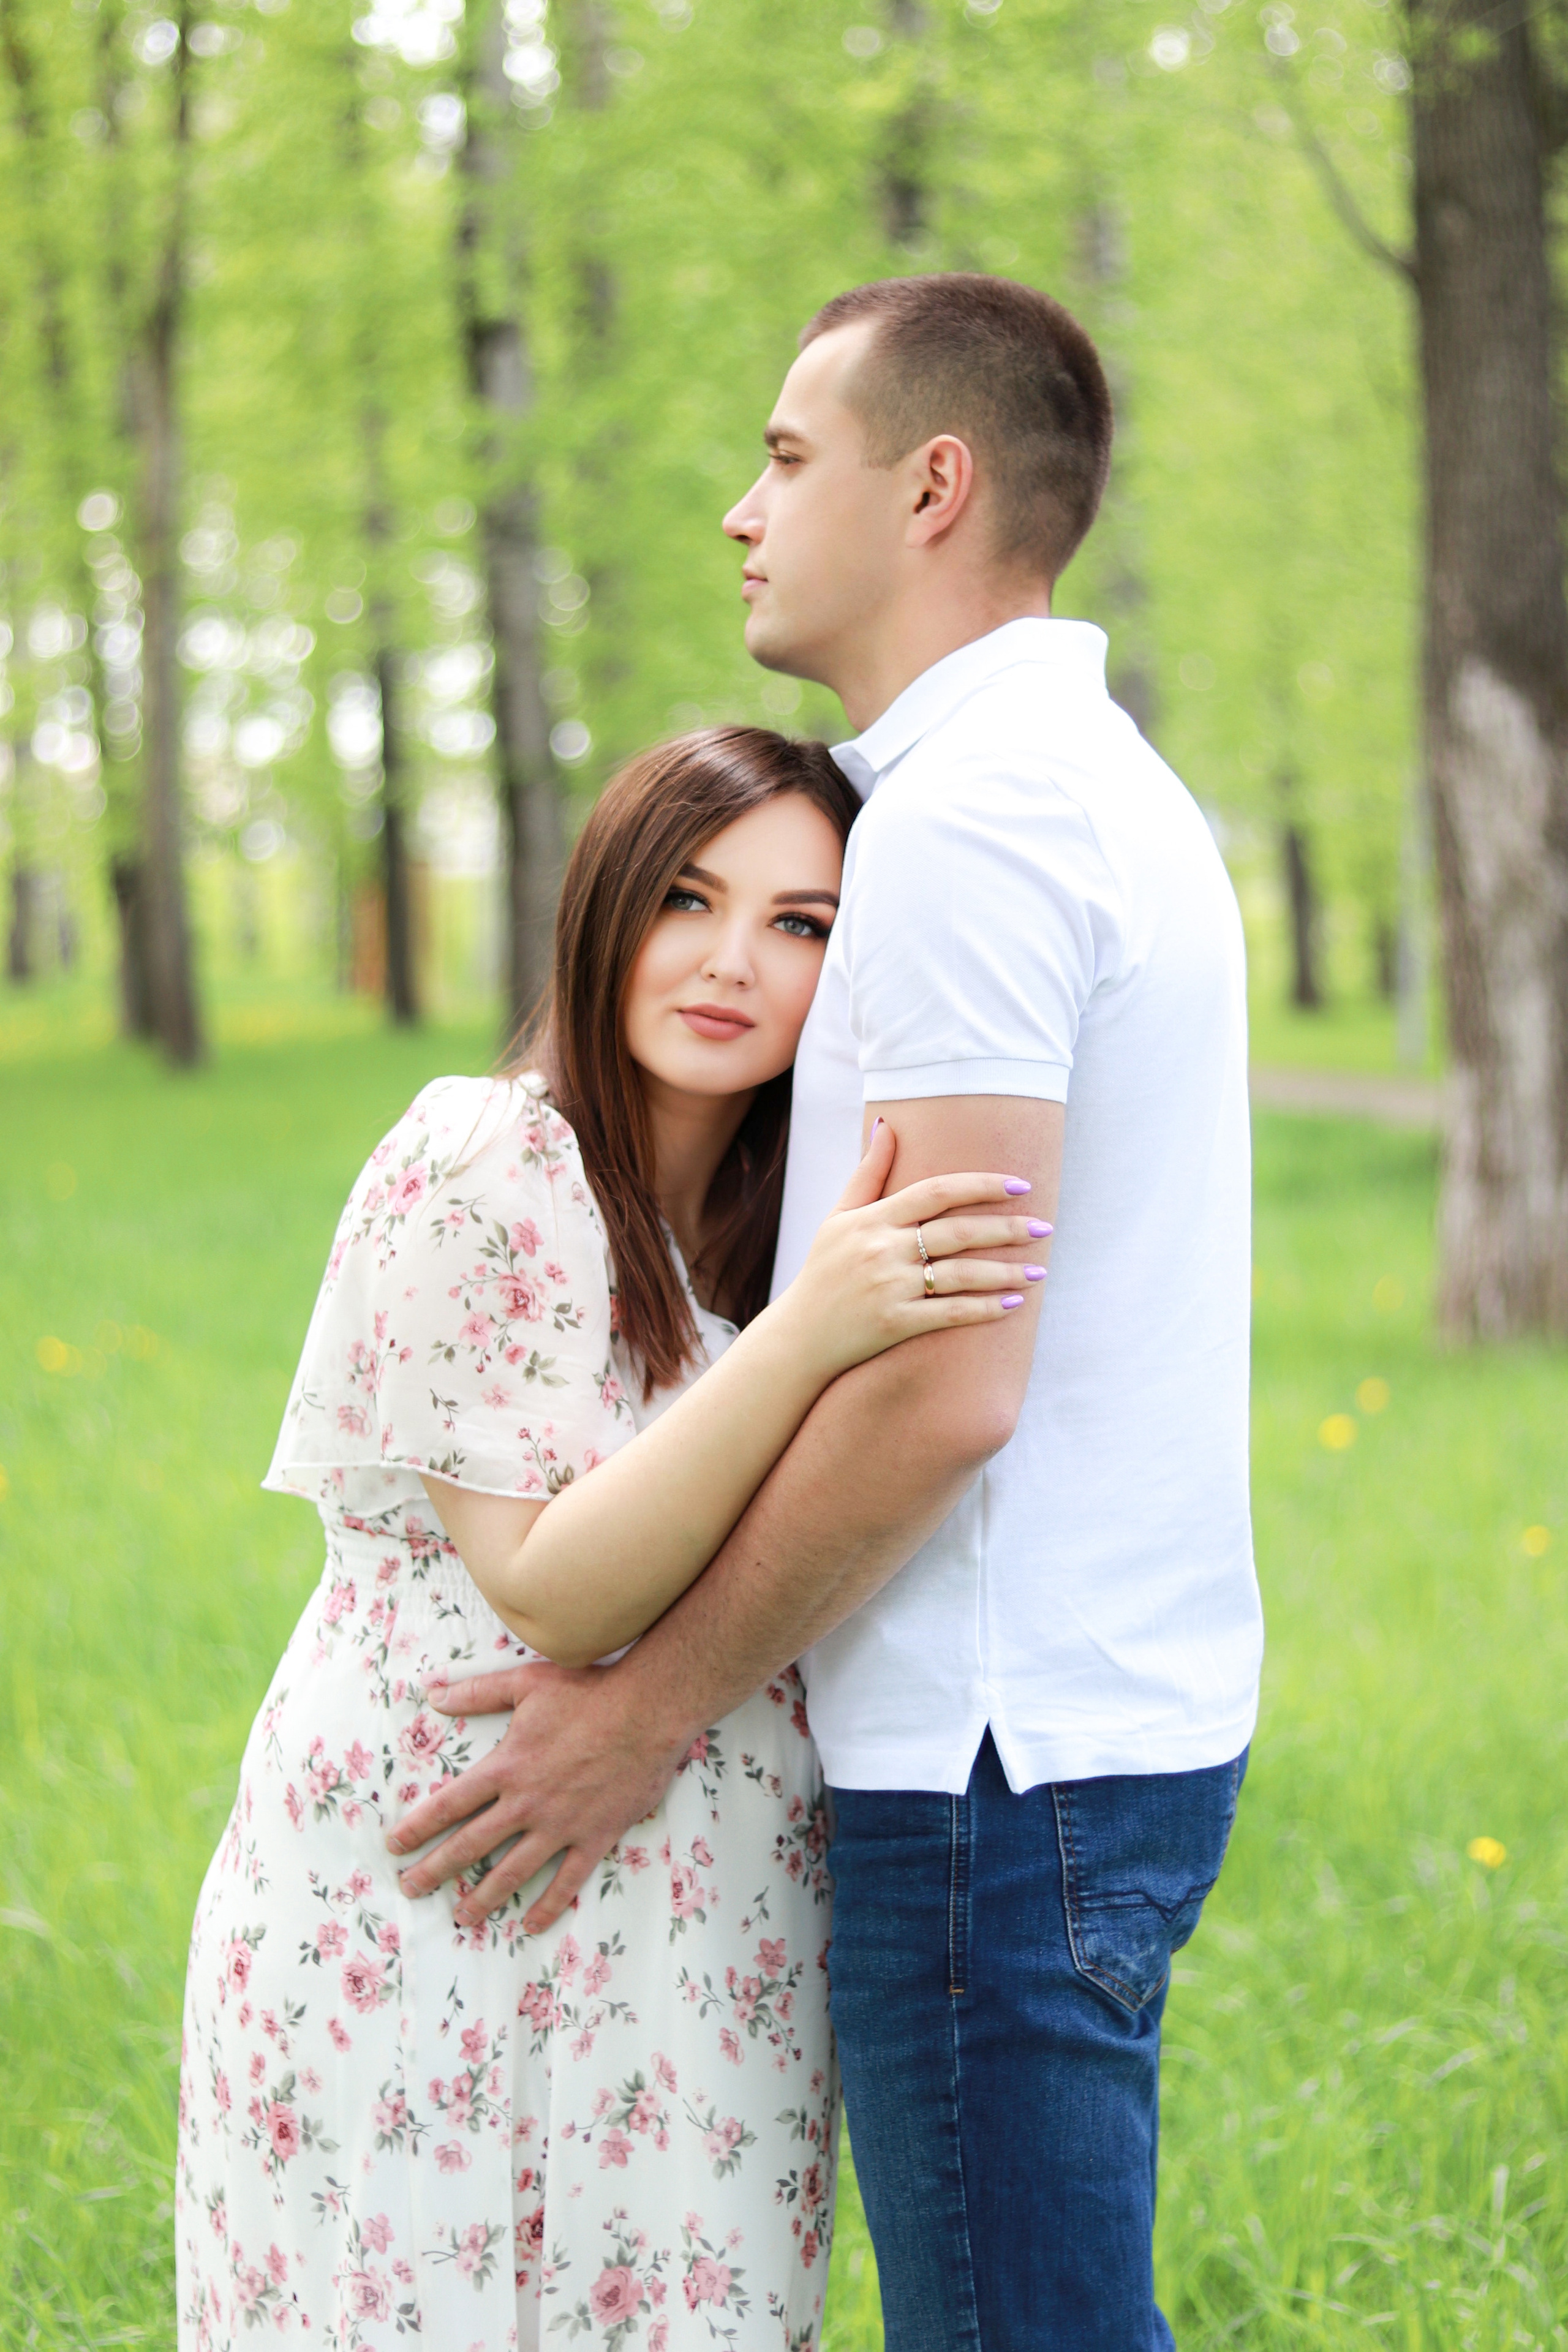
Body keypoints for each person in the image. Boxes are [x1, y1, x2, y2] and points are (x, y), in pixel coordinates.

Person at [389, 273, 1264, 2349]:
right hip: (1076, 1723)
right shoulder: (1066, 781)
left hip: (997, 1752)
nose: (743, 509)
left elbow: (949, 1383)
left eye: (789, 457)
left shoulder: (978, 822)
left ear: (933, 485)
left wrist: (646, 1710)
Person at [174, 725, 1041, 2350]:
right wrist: (811, 1333)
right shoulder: (489, 1159)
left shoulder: (768, 1234)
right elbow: (552, 1589)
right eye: (687, 900)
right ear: (604, 909)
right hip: (450, 1877)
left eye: (801, 924)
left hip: (697, 1932)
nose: (731, 962)